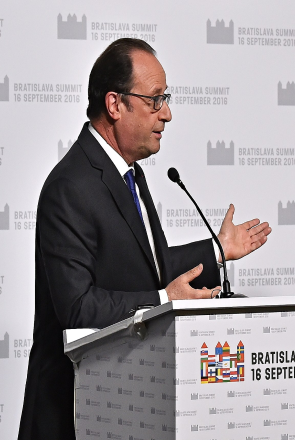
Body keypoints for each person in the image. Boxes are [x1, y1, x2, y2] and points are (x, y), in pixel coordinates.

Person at [18, 38, 272, 440]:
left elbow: (149, 268)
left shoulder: (130, 173)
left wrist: (218, 251)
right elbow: (78, 308)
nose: (167, 114)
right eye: (155, 100)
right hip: (73, 414)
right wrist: (163, 301)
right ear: (115, 104)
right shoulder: (70, 185)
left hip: (125, 407)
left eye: (165, 99)